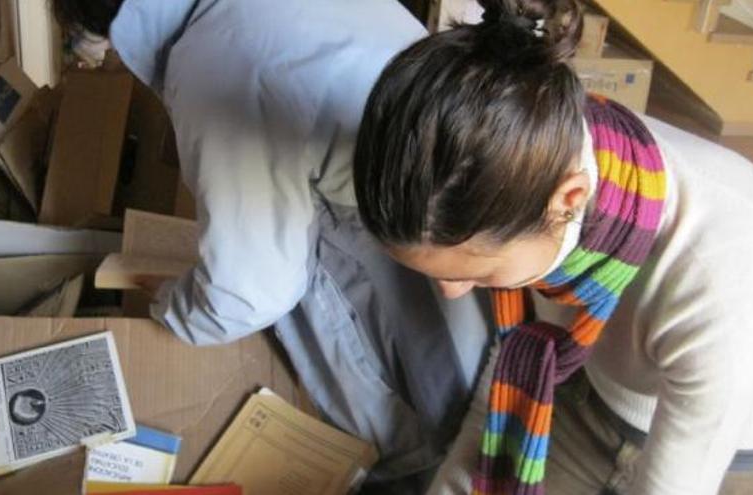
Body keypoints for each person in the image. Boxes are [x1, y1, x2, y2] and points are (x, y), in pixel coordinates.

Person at [352, 0, 753, 493]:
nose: (452, 294)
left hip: (734, 449)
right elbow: (517, 351)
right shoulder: (537, 165)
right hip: (593, 390)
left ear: (570, 200)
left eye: (478, 275)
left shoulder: (723, 268)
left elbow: (678, 480)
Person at [50, 0, 494, 490]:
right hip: (475, 222)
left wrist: (169, 306)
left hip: (413, 259)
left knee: (432, 453)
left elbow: (248, 295)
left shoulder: (216, 61)